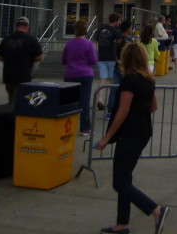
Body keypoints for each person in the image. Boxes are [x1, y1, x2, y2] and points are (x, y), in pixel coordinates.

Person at [95, 42, 170, 234]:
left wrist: (106, 137)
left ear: (126, 58)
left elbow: (123, 110)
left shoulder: (129, 80)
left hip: (130, 134)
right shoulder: (148, 78)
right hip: (143, 132)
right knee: (125, 178)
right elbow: (154, 106)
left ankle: (155, 209)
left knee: (119, 182)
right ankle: (122, 224)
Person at [0, 16, 43, 102]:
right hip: (23, 77)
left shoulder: (6, 39)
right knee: (19, 102)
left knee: (11, 99)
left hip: (8, 76)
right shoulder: (31, 39)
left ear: (16, 26)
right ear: (27, 26)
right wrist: (28, 59)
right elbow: (39, 57)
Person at [63, 20, 97, 135]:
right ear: (85, 30)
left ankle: (66, 127)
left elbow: (64, 60)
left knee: (69, 102)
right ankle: (85, 128)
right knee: (84, 101)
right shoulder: (89, 44)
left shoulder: (69, 43)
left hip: (70, 74)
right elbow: (93, 60)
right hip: (85, 74)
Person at [96, 13, 124, 108]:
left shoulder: (101, 29)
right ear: (116, 20)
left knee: (103, 79)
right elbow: (119, 45)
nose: (120, 22)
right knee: (113, 81)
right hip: (112, 58)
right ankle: (113, 102)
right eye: (120, 20)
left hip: (101, 57)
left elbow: (97, 39)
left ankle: (100, 99)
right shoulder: (117, 32)